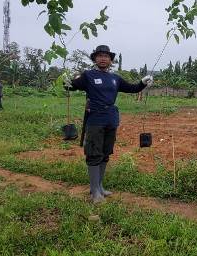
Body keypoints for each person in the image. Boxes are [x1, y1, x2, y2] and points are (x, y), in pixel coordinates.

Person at [64, 45, 153, 203]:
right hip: (95, 120)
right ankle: (94, 192)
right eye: (99, 56)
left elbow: (132, 88)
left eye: (106, 56)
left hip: (111, 119)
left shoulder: (115, 78)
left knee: (105, 153)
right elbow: (72, 86)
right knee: (93, 153)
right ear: (95, 59)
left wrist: (143, 83)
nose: (103, 58)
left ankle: (100, 186)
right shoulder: (88, 76)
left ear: (111, 60)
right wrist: (66, 83)